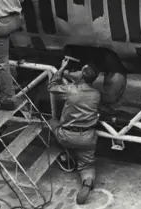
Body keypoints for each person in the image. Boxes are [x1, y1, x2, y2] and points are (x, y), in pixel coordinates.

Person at [48, 57, 101, 205]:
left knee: (52, 121)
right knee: (87, 166)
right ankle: (87, 183)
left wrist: (61, 69)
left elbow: (52, 86)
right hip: (87, 138)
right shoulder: (96, 94)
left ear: (82, 75)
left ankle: (64, 155)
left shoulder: (71, 90)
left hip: (67, 135)